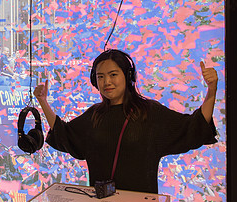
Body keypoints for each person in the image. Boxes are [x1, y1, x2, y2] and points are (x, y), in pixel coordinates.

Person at [33, 49, 218, 194]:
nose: (106, 82)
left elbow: (193, 126)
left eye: (113, 74)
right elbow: (65, 134)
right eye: (100, 77)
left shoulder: (149, 112)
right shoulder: (94, 115)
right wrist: (43, 101)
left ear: (128, 77)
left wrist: (211, 90)